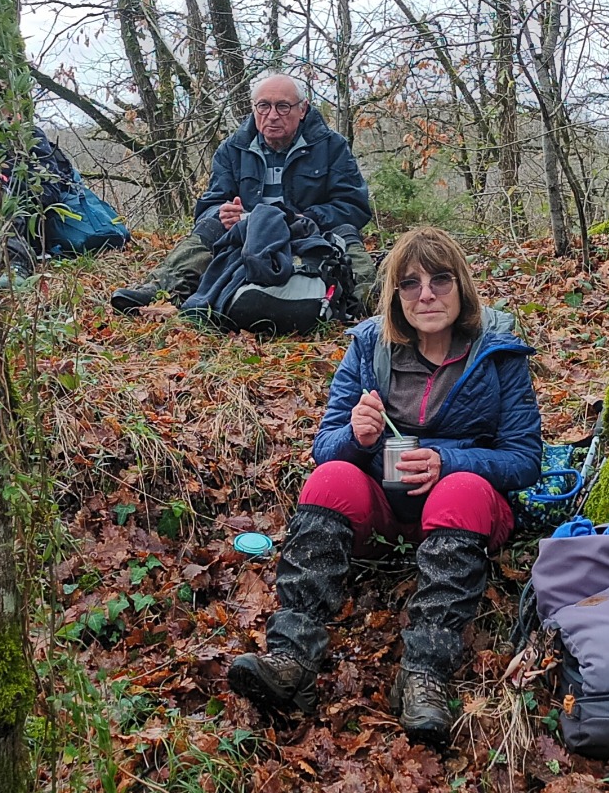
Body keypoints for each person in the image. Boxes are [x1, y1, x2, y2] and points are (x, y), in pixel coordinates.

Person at [227, 227, 540, 746]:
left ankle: (425, 673)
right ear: (395, 295)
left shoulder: (497, 351)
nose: (426, 295)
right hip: (384, 511)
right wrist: (358, 436)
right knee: (330, 479)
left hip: (466, 511)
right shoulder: (370, 345)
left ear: (461, 286)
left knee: (460, 489)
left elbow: (525, 459)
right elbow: (325, 447)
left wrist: (448, 460)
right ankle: (291, 657)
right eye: (410, 283)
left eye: (440, 280)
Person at [111, 71, 376, 313]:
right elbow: (209, 205)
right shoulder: (233, 148)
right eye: (264, 106)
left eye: (283, 106)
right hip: (248, 232)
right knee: (209, 229)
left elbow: (353, 206)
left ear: (302, 109)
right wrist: (223, 213)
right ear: (253, 108)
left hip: (310, 230)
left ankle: (370, 304)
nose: (272, 115)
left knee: (346, 235)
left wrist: (306, 218)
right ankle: (159, 291)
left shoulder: (331, 146)